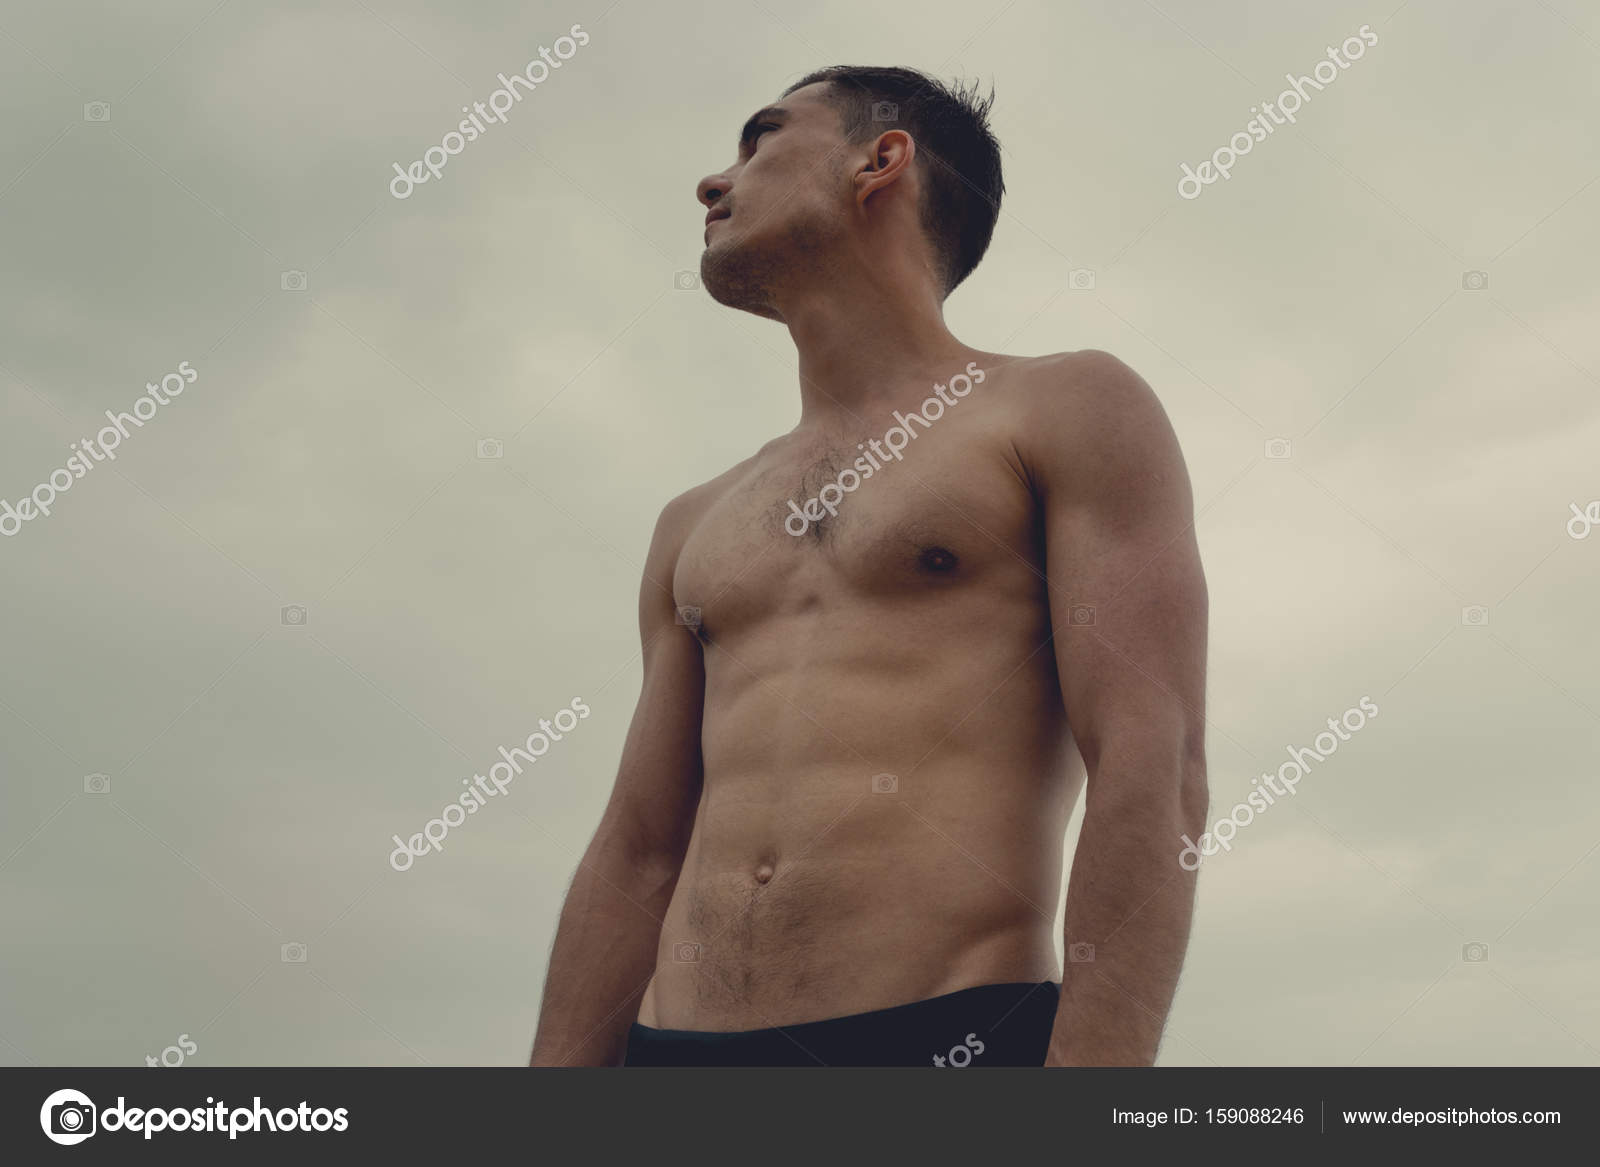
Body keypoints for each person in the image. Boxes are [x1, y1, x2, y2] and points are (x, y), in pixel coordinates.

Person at [530, 65, 1209, 1066]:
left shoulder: (1063, 410)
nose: (713, 183)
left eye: (760, 138)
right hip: (672, 1057)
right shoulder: (695, 521)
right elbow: (635, 850)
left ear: (879, 159)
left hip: (944, 1041)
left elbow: (1153, 764)